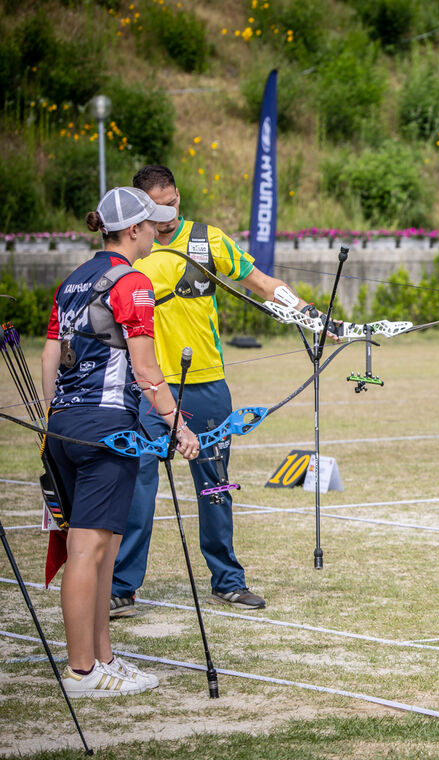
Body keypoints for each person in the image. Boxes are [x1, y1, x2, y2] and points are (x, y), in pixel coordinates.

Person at [111, 165, 315, 616]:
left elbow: (261, 283)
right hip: (151, 391)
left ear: (179, 197)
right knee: (139, 484)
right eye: (154, 207)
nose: (164, 215)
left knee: (214, 487)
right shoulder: (130, 252)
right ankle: (121, 587)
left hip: (208, 388)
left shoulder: (208, 240)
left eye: (171, 203)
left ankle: (227, 581)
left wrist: (311, 316)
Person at [42, 187, 199, 696]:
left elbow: (50, 356)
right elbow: (146, 366)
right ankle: (83, 671)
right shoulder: (131, 282)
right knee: (87, 551)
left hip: (66, 426)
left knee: (103, 549)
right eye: (152, 224)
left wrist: (53, 418)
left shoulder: (72, 280)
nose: (158, 231)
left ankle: (103, 658)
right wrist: (178, 425)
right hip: (107, 427)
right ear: (132, 231)